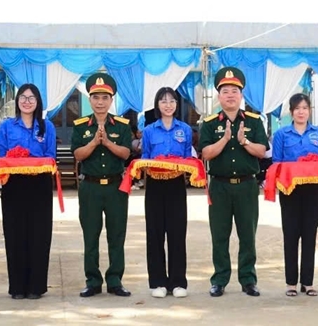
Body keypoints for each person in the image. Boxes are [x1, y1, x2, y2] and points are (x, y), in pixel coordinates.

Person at [199, 67, 268, 298]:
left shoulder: (254, 121)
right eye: (225, 91)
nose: (230, 95)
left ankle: (248, 279)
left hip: (247, 186)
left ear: (241, 95)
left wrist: (243, 141)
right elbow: (206, 153)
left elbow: (262, 151)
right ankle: (219, 279)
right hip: (219, 186)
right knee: (220, 235)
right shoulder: (209, 123)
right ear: (218, 96)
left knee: (247, 234)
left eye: (234, 91)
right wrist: (225, 139)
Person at [70, 73, 133, 298]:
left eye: (105, 97)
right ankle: (93, 281)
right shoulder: (80, 126)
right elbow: (78, 155)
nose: (100, 102)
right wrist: (94, 142)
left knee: (116, 235)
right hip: (91, 187)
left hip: (116, 187)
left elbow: (126, 153)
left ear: (111, 100)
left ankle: (115, 280)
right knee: (91, 235)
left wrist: (106, 142)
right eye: (95, 97)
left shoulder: (122, 125)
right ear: (89, 100)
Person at [0, 83, 57, 300]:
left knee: (39, 234)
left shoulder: (47, 126)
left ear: (38, 102)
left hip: (39, 185)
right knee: (14, 233)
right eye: (23, 97)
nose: (26, 101)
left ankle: (36, 287)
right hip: (14, 185)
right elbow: (2, 155)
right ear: (17, 101)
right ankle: (17, 287)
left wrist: (31, 161)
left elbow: (50, 156)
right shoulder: (7, 126)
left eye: (31, 98)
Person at [271, 93, 318, 297]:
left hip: (314, 190)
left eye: (305, 108)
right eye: (297, 108)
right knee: (291, 234)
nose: (301, 112)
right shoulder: (281, 134)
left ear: (309, 111)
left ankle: (308, 282)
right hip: (290, 190)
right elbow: (276, 162)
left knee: (309, 235)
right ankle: (291, 283)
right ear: (291, 112)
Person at [141, 87, 192, 299]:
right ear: (157, 105)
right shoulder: (149, 131)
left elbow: (188, 157)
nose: (168, 105)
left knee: (177, 233)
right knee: (155, 233)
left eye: (172, 101)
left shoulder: (185, 129)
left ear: (177, 105)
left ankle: (178, 282)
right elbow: (144, 157)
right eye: (163, 101)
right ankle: (158, 282)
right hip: (155, 185)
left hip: (176, 185)